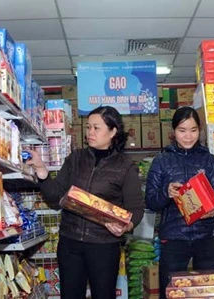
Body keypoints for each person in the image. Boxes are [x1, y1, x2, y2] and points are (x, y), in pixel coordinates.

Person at [26, 106, 144, 299]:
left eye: (96, 128)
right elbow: (56, 198)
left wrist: (126, 225)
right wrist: (42, 171)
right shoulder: (75, 158)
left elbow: (136, 208)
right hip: (70, 243)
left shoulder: (125, 166)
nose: (90, 132)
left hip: (104, 245)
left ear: (113, 131)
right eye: (88, 127)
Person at [145, 106, 214, 298]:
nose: (188, 136)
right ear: (173, 132)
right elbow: (150, 201)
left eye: (193, 130)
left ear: (200, 130)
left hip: (206, 236)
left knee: (207, 292)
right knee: (173, 291)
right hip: (174, 238)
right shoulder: (161, 161)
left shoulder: (209, 160)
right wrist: (167, 193)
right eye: (182, 131)